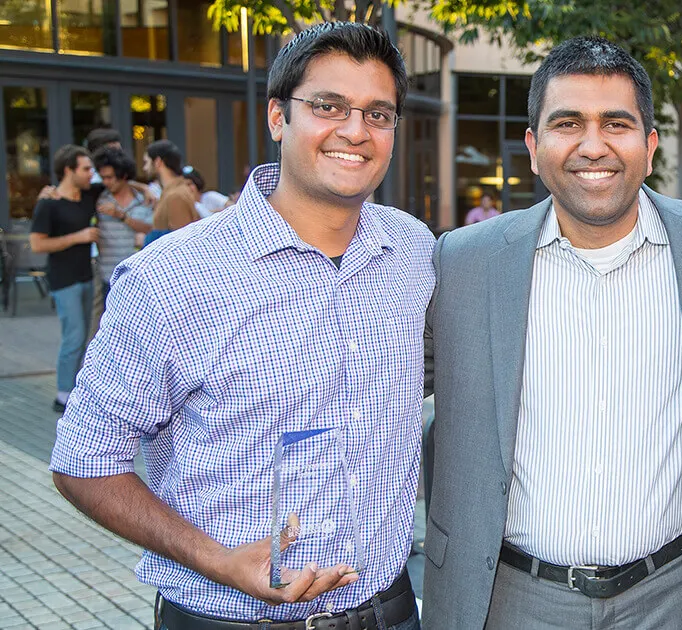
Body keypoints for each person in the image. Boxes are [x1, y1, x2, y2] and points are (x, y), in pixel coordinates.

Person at [50, 21, 431, 630]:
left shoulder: (412, 253)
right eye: (328, 106)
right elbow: (84, 462)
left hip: (388, 611)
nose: (355, 132)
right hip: (227, 619)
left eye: (378, 114)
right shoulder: (172, 278)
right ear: (279, 117)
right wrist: (218, 559)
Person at [423, 36, 682, 630]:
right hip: (511, 596)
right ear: (533, 149)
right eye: (568, 123)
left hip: (677, 593)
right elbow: (376, 391)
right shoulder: (463, 262)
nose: (594, 145)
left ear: (649, 144)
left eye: (616, 122)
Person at [29, 144, 102, 413]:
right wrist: (79, 237)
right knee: (73, 336)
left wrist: (146, 192)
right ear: (68, 170)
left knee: (84, 337)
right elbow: (37, 245)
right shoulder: (48, 204)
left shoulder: (88, 195)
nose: (90, 174)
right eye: (85, 169)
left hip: (86, 276)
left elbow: (123, 182)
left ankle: (77, 390)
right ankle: (62, 395)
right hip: (64, 279)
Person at [91, 146, 153, 322]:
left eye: (109, 177)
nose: (105, 182)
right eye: (102, 177)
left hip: (138, 277)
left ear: (124, 176)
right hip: (108, 276)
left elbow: (151, 230)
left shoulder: (145, 200)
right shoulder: (98, 197)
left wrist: (122, 216)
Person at [144, 139, 200, 240]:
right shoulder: (171, 191)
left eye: (147, 162)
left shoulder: (176, 195)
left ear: (158, 162)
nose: (145, 168)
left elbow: (182, 241)